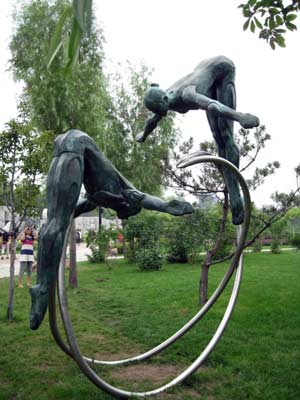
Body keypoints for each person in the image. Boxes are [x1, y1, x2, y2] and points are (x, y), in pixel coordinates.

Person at [30, 129, 194, 330]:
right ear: (128, 206)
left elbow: (74, 210)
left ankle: (41, 287)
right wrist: (168, 207)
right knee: (55, 226)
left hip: (63, 148)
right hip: (76, 146)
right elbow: (147, 200)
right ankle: (42, 289)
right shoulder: (126, 192)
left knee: (54, 224)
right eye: (125, 214)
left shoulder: (97, 199)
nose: (121, 216)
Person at [135, 55, 260, 225]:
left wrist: (240, 117)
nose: (161, 113)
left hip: (223, 69)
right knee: (216, 136)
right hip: (204, 72)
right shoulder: (165, 97)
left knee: (225, 133)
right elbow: (153, 120)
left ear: (163, 99)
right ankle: (231, 186)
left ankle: (235, 196)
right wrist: (144, 134)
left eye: (160, 108)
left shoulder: (188, 94)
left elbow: (213, 106)